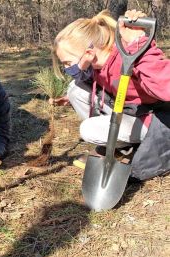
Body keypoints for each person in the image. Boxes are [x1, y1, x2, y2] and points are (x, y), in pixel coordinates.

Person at [51, 9, 170, 181]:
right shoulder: (98, 65)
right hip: (130, 110)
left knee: (88, 129)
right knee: (75, 89)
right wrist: (70, 99)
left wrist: (138, 44)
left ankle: (125, 143)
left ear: (89, 53)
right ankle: (117, 146)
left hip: (156, 119)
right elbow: (81, 77)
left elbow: (165, 86)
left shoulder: (127, 57)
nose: (68, 69)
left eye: (68, 63)